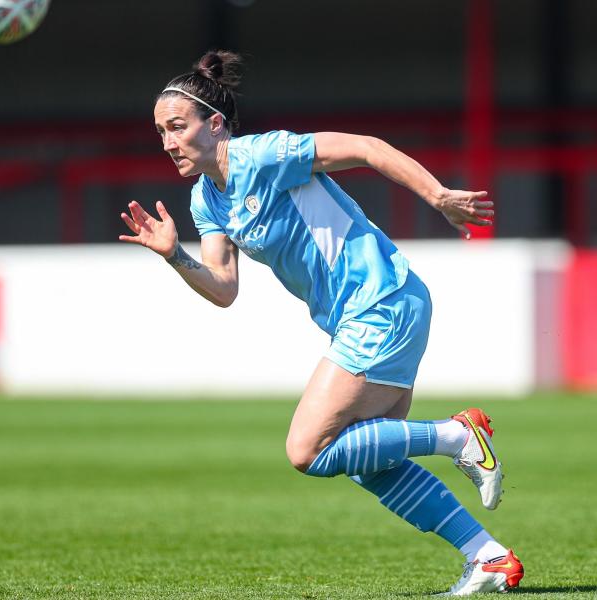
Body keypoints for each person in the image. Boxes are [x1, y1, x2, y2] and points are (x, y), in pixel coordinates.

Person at [119, 50, 524, 596]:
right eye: (160, 131)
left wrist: (438, 196)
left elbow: (365, 148)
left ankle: (457, 435)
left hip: (380, 301)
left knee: (306, 450)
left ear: (214, 124)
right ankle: (488, 555)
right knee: (369, 460)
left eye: (177, 126)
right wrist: (174, 256)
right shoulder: (206, 200)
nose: (167, 141)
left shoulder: (263, 155)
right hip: (370, 314)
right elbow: (223, 288)